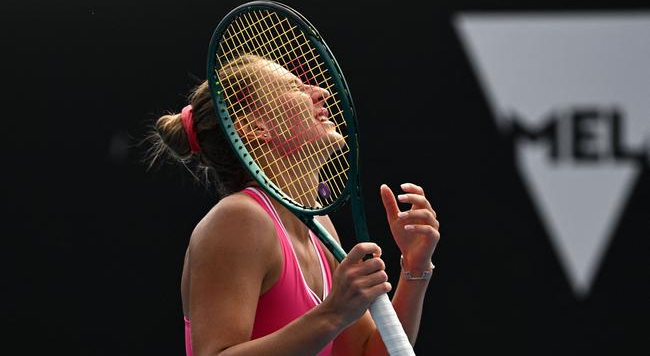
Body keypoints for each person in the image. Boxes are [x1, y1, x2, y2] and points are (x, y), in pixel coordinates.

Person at [146, 54, 440, 356]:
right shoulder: (239, 219)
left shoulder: (319, 226)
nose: (320, 93)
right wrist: (333, 313)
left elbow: (366, 352)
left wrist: (415, 269)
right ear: (255, 126)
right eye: (294, 87)